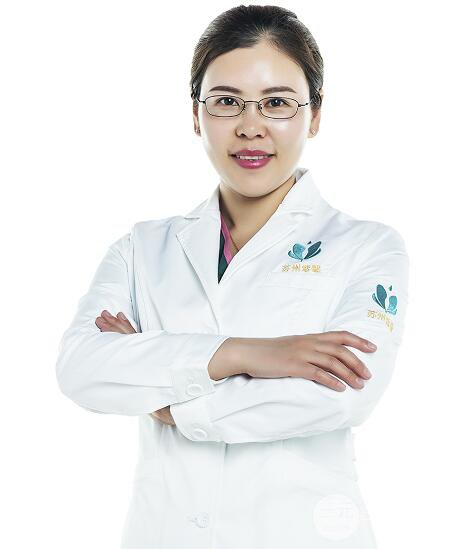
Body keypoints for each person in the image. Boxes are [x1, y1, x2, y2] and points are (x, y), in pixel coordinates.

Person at [55, 5, 410, 548]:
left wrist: (166, 401)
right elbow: (82, 368)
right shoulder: (141, 249)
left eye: (277, 103)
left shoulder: (369, 247)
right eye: (226, 102)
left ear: (314, 115)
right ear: (196, 115)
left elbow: (343, 395)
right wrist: (245, 354)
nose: (250, 126)